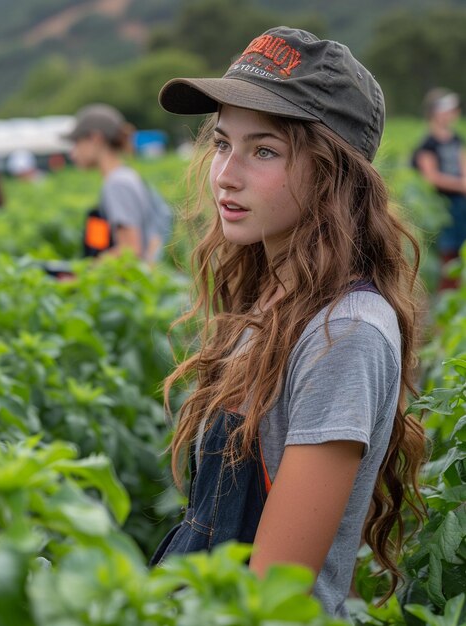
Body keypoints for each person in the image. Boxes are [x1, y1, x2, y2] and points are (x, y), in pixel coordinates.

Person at [150, 26, 427, 619]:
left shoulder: (345, 333)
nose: (226, 173)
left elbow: (271, 598)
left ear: (333, 175)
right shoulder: (271, 297)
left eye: (264, 151)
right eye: (223, 143)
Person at [65, 103, 172, 262]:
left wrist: (83, 273)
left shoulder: (117, 184)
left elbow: (129, 251)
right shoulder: (126, 176)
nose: (72, 153)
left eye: (76, 142)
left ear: (95, 138)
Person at [412, 88, 466, 289]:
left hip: (461, 203)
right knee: (448, 256)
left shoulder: (456, 139)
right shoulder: (428, 143)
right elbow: (431, 177)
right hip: (442, 206)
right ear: (435, 112)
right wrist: (461, 185)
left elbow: (463, 166)